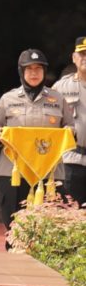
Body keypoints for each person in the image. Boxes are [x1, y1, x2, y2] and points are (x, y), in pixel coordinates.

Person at [0, 49, 73, 248]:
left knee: (49, 227)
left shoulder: (58, 99)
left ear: (45, 72)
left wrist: (69, 133)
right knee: (13, 225)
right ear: (21, 72)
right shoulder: (8, 99)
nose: (34, 73)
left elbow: (70, 127)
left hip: (50, 173)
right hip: (14, 172)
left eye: (38, 69)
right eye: (29, 69)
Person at [51, 37, 86, 207]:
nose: (85, 57)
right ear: (74, 57)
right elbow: (49, 122)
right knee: (71, 215)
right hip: (72, 160)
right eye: (82, 54)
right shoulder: (61, 87)